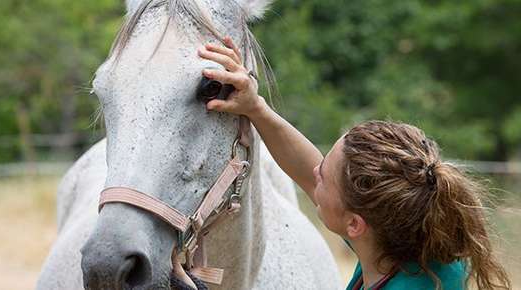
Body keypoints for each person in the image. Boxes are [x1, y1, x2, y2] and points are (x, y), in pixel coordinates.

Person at [196, 37, 512, 290]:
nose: (315, 173)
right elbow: (309, 170)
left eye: (324, 179)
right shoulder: (401, 240)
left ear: (355, 225)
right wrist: (256, 108)